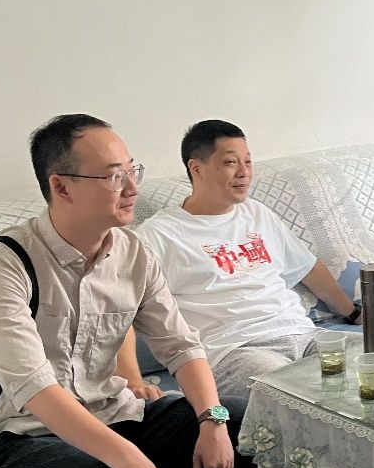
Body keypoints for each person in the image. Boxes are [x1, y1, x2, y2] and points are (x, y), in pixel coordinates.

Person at [0, 115, 283, 468]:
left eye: (132, 170)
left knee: (246, 420)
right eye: (115, 175)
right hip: (22, 437)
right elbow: (32, 386)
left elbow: (181, 345)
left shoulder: (134, 252)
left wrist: (212, 419)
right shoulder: (3, 261)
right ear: (61, 186)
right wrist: (126, 458)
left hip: (116, 412)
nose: (133, 187)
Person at [130, 120, 360, 403]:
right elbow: (121, 310)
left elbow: (307, 267)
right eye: (230, 162)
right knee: (298, 396)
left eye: (248, 162)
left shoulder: (256, 212)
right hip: (236, 351)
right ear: (196, 168)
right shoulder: (160, 235)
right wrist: (132, 380)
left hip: (304, 335)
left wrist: (353, 313)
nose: (244, 172)